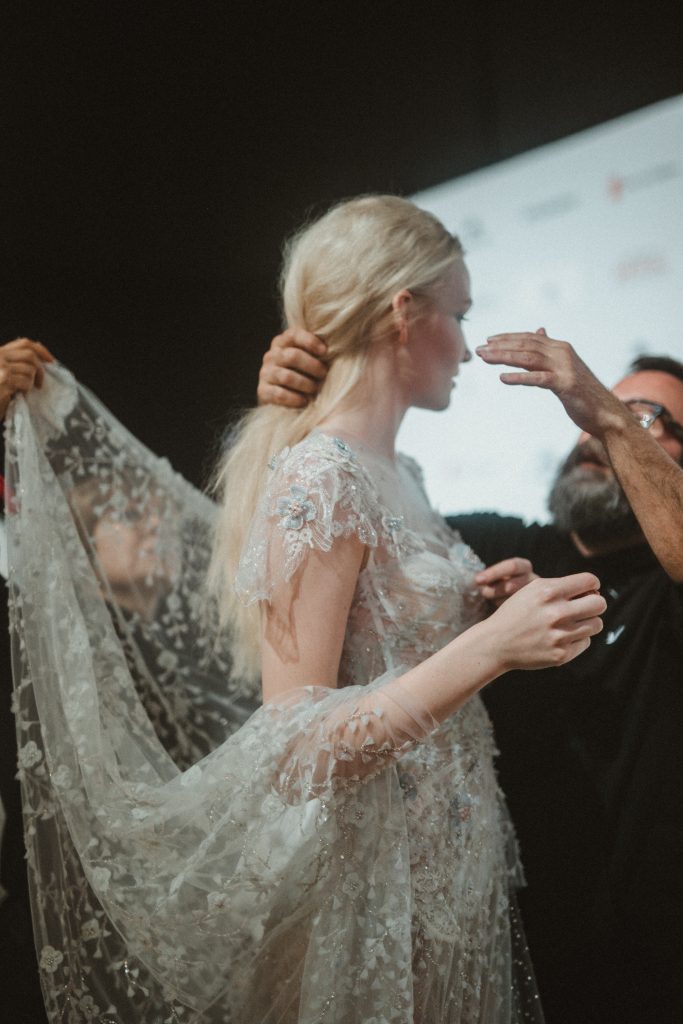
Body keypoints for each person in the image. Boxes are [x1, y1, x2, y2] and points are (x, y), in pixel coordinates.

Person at [0, 195, 608, 1023]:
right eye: (458, 315)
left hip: (445, 869)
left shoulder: (407, 476)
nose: (466, 346)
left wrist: (468, 609)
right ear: (403, 312)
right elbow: (295, 748)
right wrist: (492, 648)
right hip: (374, 888)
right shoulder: (320, 476)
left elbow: (384, 646)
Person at [258, 325, 683, 1023]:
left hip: (646, 971)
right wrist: (298, 403)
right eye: (607, 412)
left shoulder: (664, 592)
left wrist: (605, 412)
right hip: (491, 948)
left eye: (649, 420)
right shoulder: (488, 544)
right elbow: (334, 533)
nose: (593, 435)